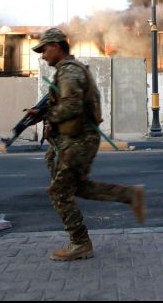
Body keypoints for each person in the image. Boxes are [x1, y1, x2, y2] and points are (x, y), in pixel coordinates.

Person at [30, 27, 145, 261]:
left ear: (56, 46)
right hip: (75, 139)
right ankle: (129, 195)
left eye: (44, 49)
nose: (42, 55)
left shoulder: (69, 72)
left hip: (78, 140)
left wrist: (47, 114)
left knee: (59, 192)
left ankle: (80, 242)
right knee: (78, 187)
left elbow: (72, 106)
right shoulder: (68, 70)